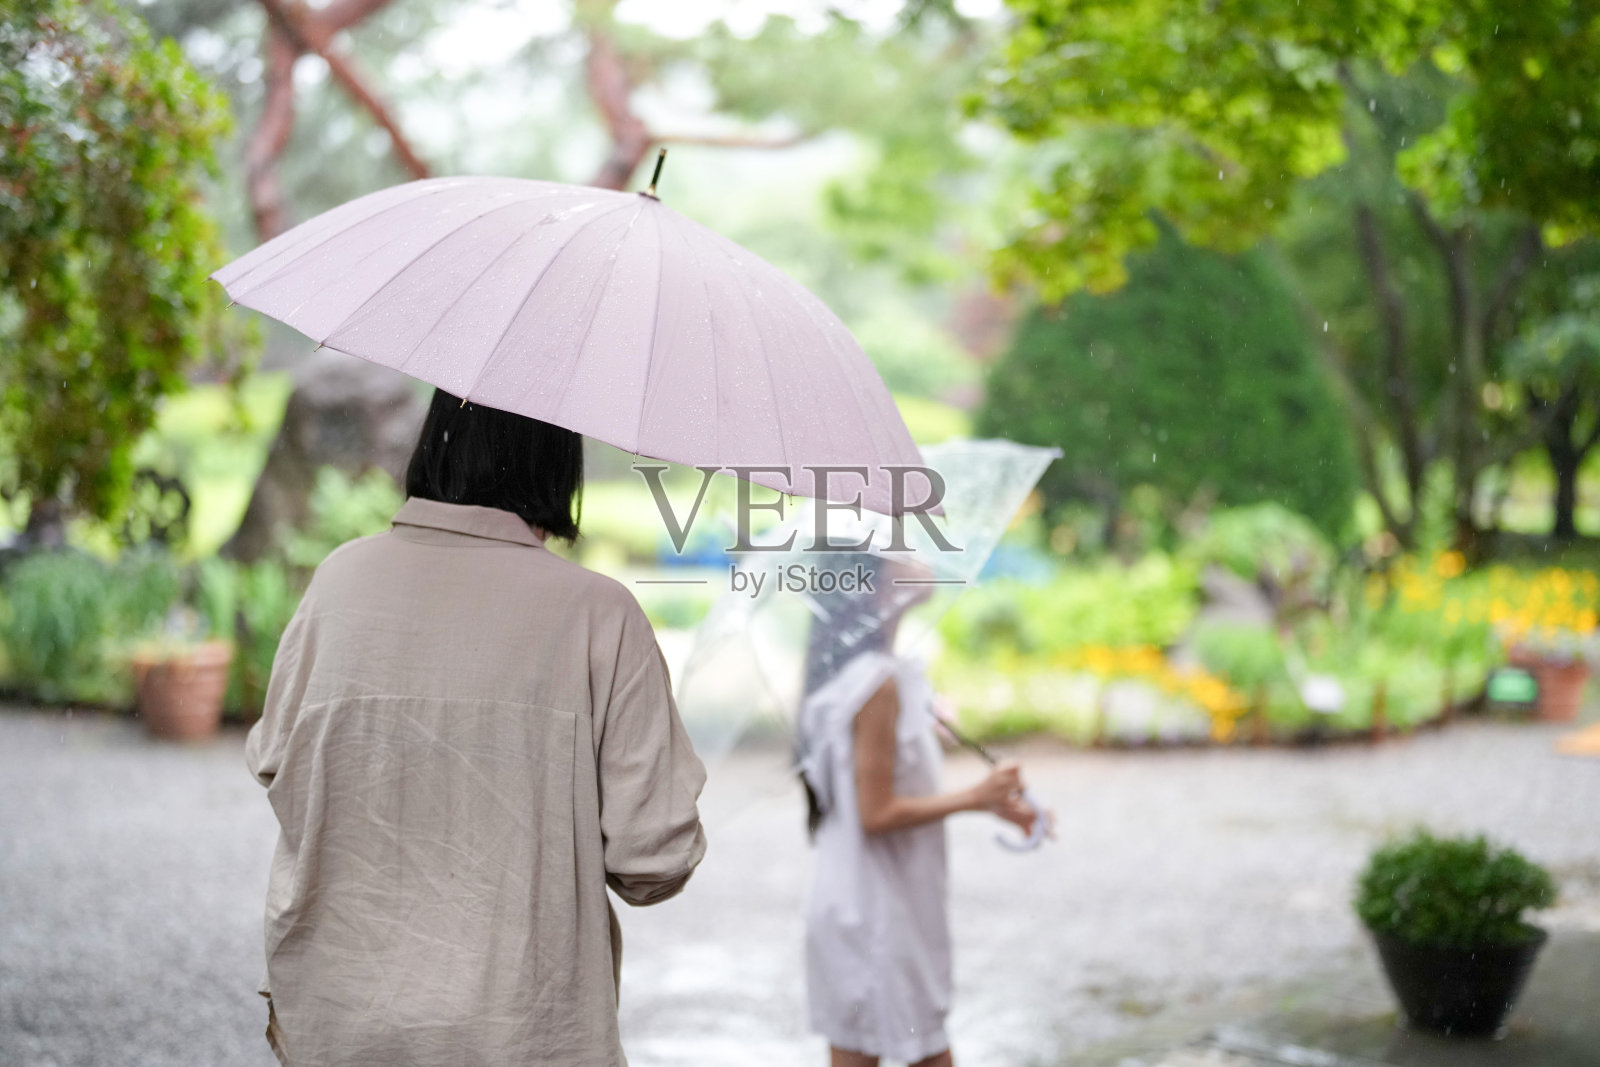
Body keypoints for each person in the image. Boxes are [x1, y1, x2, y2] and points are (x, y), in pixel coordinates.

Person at [245, 389, 707, 1067]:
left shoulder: (340, 583)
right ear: (555, 462)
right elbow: (653, 859)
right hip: (523, 1030)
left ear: (436, 442)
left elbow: (276, 763)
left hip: (341, 1021)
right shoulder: (599, 617)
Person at [796, 559, 1041, 1067]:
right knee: (924, 1053)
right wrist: (977, 797)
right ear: (876, 581)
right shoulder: (876, 682)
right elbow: (876, 812)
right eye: (901, 550)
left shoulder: (877, 671)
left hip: (872, 905)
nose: (921, 559)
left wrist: (992, 802)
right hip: (876, 917)